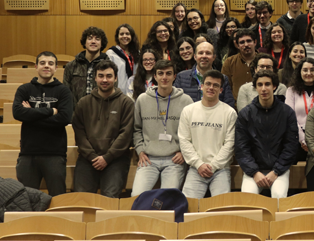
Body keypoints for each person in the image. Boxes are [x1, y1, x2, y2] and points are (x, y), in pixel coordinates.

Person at [13, 51, 73, 196]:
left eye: (51, 63)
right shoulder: (24, 89)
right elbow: (18, 113)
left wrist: (31, 115)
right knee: (25, 199)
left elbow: (64, 118)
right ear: (36, 66)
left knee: (57, 198)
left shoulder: (63, 91)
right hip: (28, 154)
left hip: (54, 154)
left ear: (56, 68)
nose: (47, 66)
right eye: (43, 63)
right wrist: (50, 111)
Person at [72, 60, 135, 198]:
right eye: (101, 76)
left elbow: (126, 134)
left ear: (116, 78)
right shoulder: (83, 103)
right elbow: (80, 134)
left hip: (116, 159)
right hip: (88, 158)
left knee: (110, 198)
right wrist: (93, 156)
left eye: (109, 76)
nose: (104, 80)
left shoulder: (126, 103)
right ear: (95, 78)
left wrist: (107, 157)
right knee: (82, 198)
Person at [131, 60, 193, 196]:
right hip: (148, 159)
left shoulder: (186, 101)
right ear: (155, 76)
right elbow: (136, 129)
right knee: (136, 197)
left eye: (168, 73)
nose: (164, 77)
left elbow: (192, 133)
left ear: (174, 76)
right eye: (160, 73)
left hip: (174, 159)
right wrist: (140, 150)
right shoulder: (142, 100)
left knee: (167, 199)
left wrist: (183, 152)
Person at [235, 70, 299, 198]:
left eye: (267, 84)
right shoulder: (245, 114)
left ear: (274, 86)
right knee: (248, 197)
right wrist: (254, 172)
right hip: (254, 170)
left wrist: (276, 171)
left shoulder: (287, 113)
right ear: (255, 87)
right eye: (260, 85)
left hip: (278, 170)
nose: (264, 88)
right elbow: (242, 148)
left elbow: (291, 146)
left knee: (278, 196)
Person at [178, 70, 237, 198]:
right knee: (188, 207)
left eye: (215, 85)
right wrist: (199, 164)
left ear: (221, 90)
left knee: (221, 207)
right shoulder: (188, 111)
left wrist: (213, 166)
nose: (211, 88)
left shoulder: (230, 113)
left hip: (220, 169)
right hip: (195, 168)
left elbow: (230, 144)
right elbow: (184, 141)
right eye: (208, 84)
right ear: (201, 86)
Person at [174, 42, 235, 107]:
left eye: (208, 53)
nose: (204, 56)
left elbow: (228, 104)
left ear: (214, 57)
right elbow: (175, 102)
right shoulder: (181, 77)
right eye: (200, 53)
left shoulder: (222, 78)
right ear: (195, 56)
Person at [285, 58, 314, 160]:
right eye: (305, 70)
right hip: (297, 137)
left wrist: (311, 140)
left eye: (312, 70)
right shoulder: (291, 91)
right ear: (299, 72)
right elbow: (289, 117)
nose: (309, 73)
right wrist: (302, 139)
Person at [64, 26, 111, 107]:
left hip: (102, 113)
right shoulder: (71, 66)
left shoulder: (110, 67)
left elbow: (112, 92)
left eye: (97, 39)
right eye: (90, 38)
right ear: (84, 43)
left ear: (101, 43)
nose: (93, 41)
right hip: (76, 114)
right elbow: (66, 93)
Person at [222, 29, 257, 100]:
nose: (246, 45)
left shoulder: (264, 60)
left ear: (255, 42)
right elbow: (225, 87)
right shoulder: (229, 62)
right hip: (236, 107)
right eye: (242, 42)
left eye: (249, 41)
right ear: (237, 45)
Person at [106, 24, 140, 95]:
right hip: (117, 93)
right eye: (121, 34)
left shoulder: (137, 53)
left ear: (132, 36)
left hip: (135, 92)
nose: (124, 36)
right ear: (117, 37)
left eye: (127, 34)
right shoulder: (111, 54)